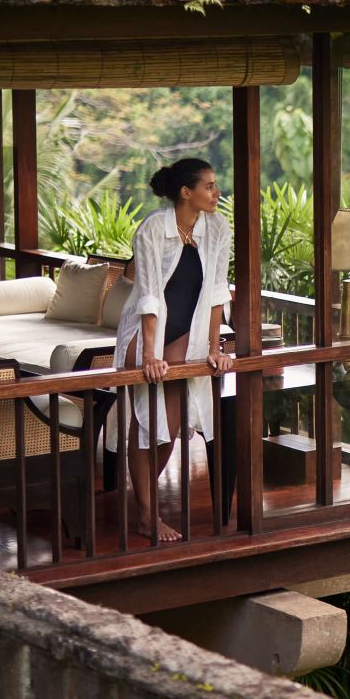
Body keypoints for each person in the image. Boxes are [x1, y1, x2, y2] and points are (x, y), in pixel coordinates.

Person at [108, 157, 234, 542]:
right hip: (146, 332)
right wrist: (150, 355)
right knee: (146, 422)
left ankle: (144, 504)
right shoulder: (153, 229)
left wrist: (214, 347)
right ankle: (148, 516)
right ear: (186, 192)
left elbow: (217, 292)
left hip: (186, 336)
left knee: (168, 428)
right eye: (209, 186)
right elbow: (148, 295)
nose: (217, 193)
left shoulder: (217, 228)